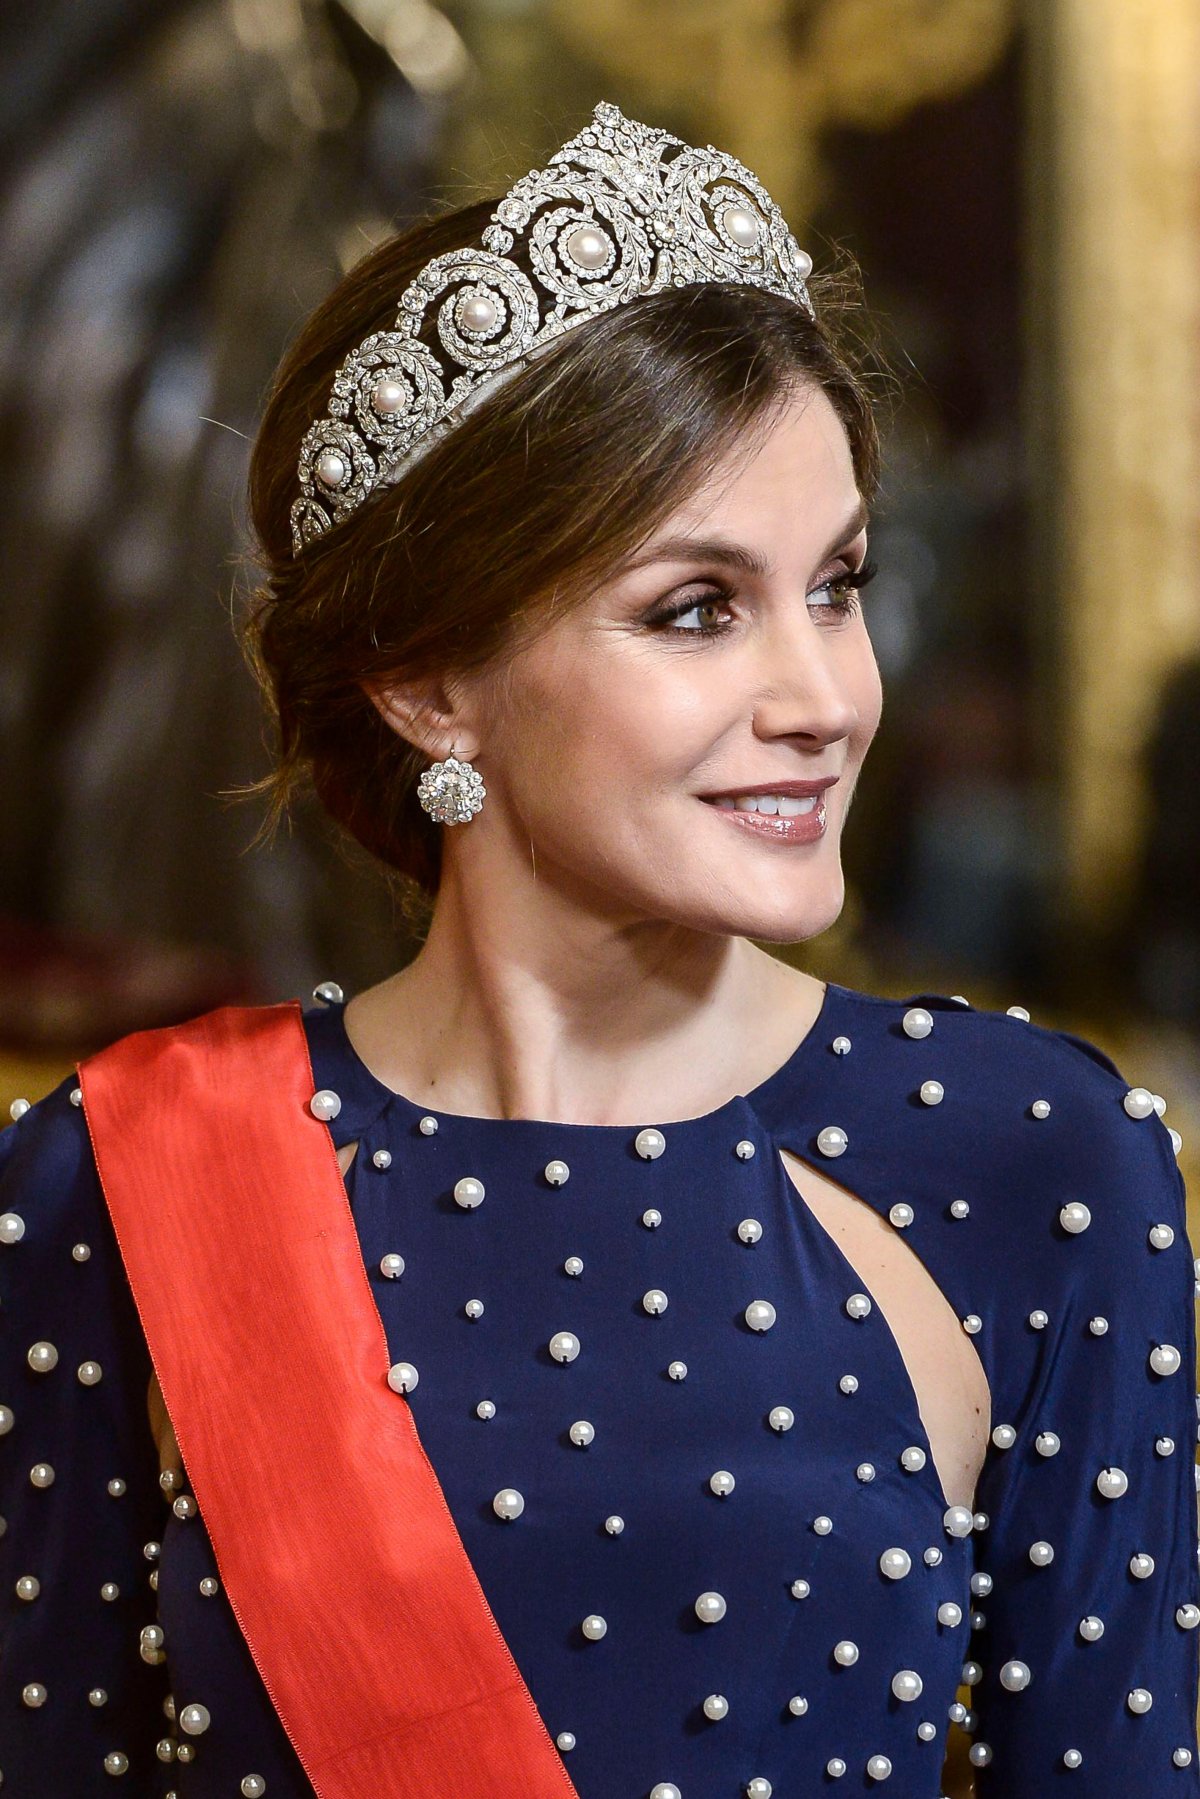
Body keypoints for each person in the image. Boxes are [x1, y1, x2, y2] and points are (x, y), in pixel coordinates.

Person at [0, 100, 1196, 1799]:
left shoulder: (1031, 1161)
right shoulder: (123, 1178)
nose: (823, 698)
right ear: (427, 682)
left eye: (837, 584)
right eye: (697, 609)